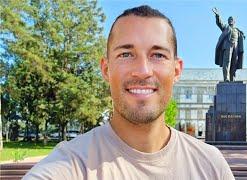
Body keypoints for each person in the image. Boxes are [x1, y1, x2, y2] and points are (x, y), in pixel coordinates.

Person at [23, 5, 234, 180]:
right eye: (126, 54)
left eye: (158, 55)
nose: (143, 71)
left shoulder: (211, 166)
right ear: (106, 69)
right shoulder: (71, 165)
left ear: (176, 70)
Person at [212, 7, 245, 82]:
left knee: (234, 63)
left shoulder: (237, 31)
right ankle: (226, 78)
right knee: (227, 62)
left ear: (234, 21)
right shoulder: (226, 27)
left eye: (231, 19)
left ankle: (232, 78)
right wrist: (218, 16)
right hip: (227, 46)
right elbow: (220, 24)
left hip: (235, 47)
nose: (230, 20)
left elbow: (240, 40)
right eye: (229, 19)